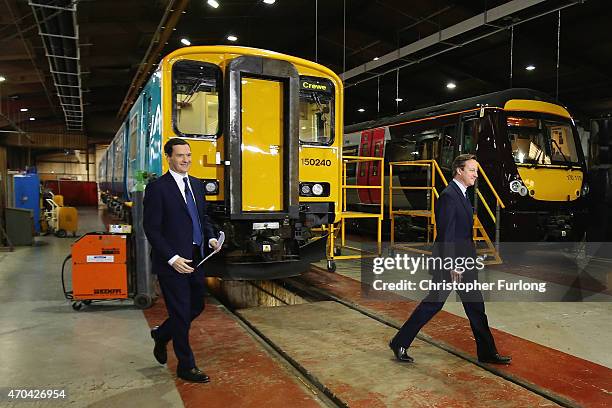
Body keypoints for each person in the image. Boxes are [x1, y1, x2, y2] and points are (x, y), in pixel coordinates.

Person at [389, 154, 511, 365]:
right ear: (459, 171)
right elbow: (447, 234)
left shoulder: (462, 194)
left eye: (476, 170)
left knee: (476, 307)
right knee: (433, 304)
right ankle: (400, 341)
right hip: (451, 263)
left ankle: (487, 352)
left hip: (465, 262)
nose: (476, 174)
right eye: (472, 170)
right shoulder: (448, 196)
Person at [143, 138, 219, 383]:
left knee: (196, 306)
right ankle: (186, 366)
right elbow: (152, 229)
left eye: (188, 155)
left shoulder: (196, 185)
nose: (185, 159)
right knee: (179, 312)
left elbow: (202, 218)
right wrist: (172, 258)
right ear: (168, 157)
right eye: (180, 155)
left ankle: (162, 335)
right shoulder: (157, 188)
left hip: (196, 258)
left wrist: (210, 239)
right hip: (172, 262)